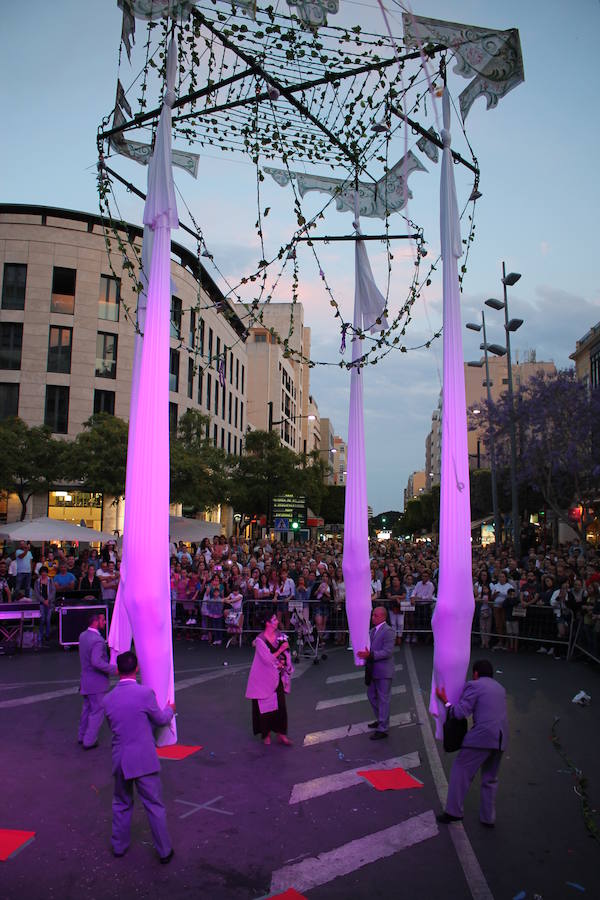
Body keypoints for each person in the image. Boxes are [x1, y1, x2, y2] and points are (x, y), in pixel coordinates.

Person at [102, 651, 175, 863]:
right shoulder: (145, 694)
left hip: (120, 758)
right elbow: (161, 719)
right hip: (143, 758)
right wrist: (170, 710)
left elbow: (116, 728)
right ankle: (164, 850)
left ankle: (119, 846)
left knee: (121, 803)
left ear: (118, 670)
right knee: (154, 805)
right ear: (136, 669)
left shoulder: (108, 700)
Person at [435, 659, 509, 827]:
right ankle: (488, 818)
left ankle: (453, 811)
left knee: (460, 771)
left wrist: (446, 701)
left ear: (476, 673)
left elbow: (460, 713)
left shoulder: (474, 686)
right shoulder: (500, 688)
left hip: (482, 738)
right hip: (501, 739)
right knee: (490, 779)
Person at [245, 612, 293, 746]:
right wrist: (280, 650)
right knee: (264, 707)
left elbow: (287, 652)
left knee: (281, 706)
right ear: (267, 623)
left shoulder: (280, 635)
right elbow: (267, 660)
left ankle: (281, 734)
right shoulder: (260, 640)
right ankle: (265, 735)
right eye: (274, 619)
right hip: (262, 677)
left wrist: (286, 663)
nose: (277, 621)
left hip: (277, 675)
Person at [78, 610, 117, 749]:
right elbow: (97, 662)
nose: (105, 622)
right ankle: (89, 740)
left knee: (87, 709)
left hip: (85, 681)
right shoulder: (98, 641)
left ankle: (82, 735)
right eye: (103, 620)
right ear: (95, 622)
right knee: (97, 711)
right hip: (96, 683)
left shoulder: (83, 636)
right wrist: (114, 669)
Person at [357, 606, 395, 740]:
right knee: (372, 695)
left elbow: (388, 651)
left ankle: (383, 728)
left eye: (376, 615)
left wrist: (370, 655)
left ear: (383, 617)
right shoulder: (372, 631)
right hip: (373, 670)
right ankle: (381, 719)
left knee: (383, 699)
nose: (373, 617)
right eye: (373, 615)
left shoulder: (388, 631)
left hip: (384, 671)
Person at [33, 565, 56, 645]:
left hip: (49, 603)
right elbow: (36, 593)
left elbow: (53, 591)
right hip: (41, 603)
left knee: (48, 619)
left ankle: (47, 635)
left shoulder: (51, 581)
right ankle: (41, 634)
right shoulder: (37, 582)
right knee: (42, 619)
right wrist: (43, 601)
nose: (44, 574)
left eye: (45, 572)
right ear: (40, 573)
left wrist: (48, 600)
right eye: (42, 572)